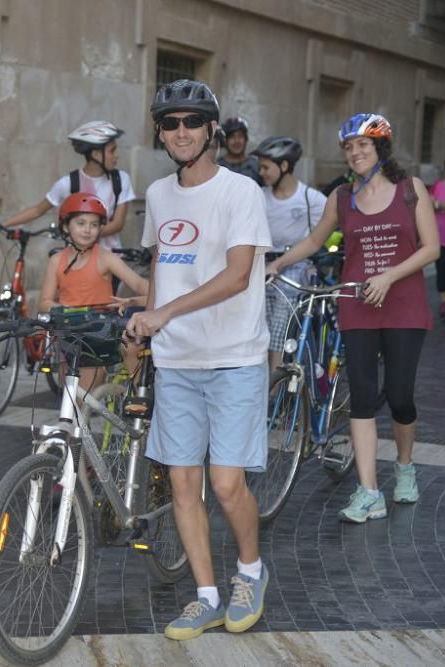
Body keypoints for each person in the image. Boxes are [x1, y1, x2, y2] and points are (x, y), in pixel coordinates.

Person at [127, 79, 272, 640]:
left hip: (234, 357)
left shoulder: (240, 192)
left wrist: (167, 313)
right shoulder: (160, 194)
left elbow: (239, 276)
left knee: (227, 483)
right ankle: (206, 595)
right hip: (177, 360)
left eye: (192, 121)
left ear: (213, 129)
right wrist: (145, 319)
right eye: (170, 123)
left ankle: (251, 572)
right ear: (161, 133)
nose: (181, 131)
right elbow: (163, 264)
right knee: (183, 485)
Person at [268, 113, 439, 522]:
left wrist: (390, 275)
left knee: (399, 396)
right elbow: (313, 240)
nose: (355, 152)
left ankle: (404, 465)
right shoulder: (342, 199)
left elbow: (431, 248)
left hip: (404, 306)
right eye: (348, 146)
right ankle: (368, 491)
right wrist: (275, 265)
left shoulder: (410, 190)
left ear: (381, 147)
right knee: (362, 397)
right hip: (356, 304)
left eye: (363, 144)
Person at [1, 121, 136, 286]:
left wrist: (82, 235)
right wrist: (3, 224)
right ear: (95, 153)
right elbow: (38, 210)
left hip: (109, 261)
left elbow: (118, 224)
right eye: (111, 150)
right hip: (77, 261)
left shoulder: (120, 180)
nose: (116, 155)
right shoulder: (69, 183)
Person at [38, 192, 148, 388]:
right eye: (81, 223)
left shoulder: (105, 258)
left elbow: (140, 284)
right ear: (65, 226)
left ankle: (140, 397)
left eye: (94, 224)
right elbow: (45, 302)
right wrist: (67, 311)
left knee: (128, 352)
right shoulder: (57, 261)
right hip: (70, 334)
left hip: (100, 334)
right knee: (71, 399)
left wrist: (153, 296)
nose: (88, 230)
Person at [253, 136, 328, 372]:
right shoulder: (257, 196)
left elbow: (326, 234)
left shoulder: (312, 199)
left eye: (266, 167)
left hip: (294, 268)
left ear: (284, 166)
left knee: (280, 321)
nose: (261, 172)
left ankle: (273, 390)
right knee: (255, 324)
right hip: (261, 266)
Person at [429, 151, 445, 322]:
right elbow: (428, 200)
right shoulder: (438, 185)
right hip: (438, 238)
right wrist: (438, 204)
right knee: (441, 272)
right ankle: (444, 301)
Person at [217, 116, 263, 186]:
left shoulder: (256, 165)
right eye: (232, 137)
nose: (237, 141)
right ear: (225, 141)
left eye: (240, 136)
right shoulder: (218, 166)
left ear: (246, 139)